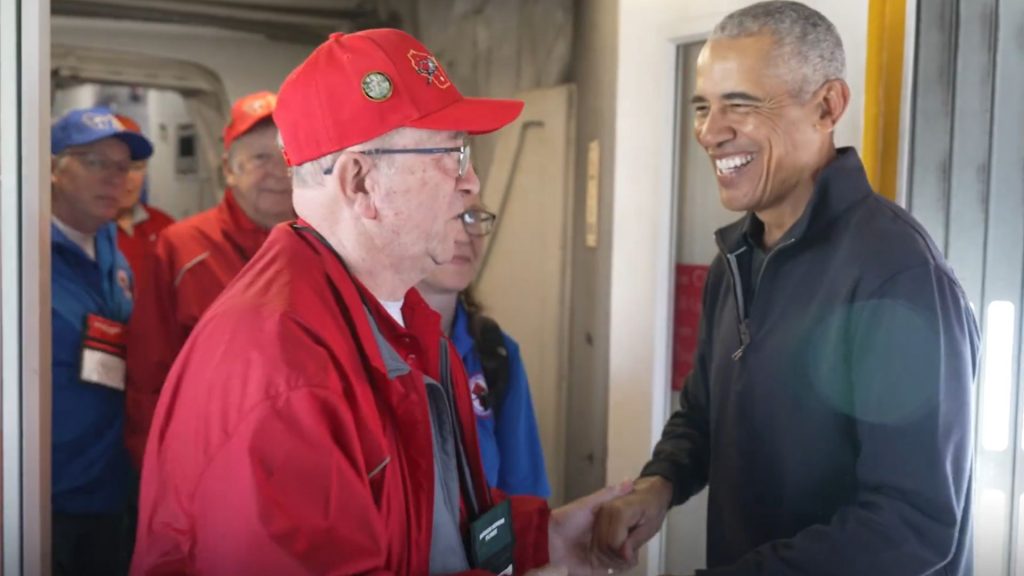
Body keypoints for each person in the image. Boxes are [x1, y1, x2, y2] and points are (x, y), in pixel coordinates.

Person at [131, 29, 623, 575]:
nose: (473, 183)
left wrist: (547, 540)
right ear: (360, 181)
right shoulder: (282, 373)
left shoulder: (396, 318)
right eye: (453, 154)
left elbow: (426, 523)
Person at [591, 2, 979, 575]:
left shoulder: (895, 275)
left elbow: (911, 526)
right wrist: (659, 484)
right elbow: (702, 416)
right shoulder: (736, 260)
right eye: (703, 106)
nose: (709, 132)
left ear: (827, 106)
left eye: (741, 105)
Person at [124, 91, 294, 468]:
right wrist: (157, 466)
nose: (280, 172)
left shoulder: (329, 246)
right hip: (206, 459)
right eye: (260, 158)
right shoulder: (182, 247)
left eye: (288, 156)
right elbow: (149, 371)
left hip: (298, 461)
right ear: (228, 169)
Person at [50, 106, 153, 576]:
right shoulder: (20, 254)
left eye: (122, 166)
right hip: (47, 491)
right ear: (53, 167)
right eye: (94, 162)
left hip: (114, 479)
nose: (114, 178)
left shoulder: (111, 243)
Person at [417, 203, 551, 498]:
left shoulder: (496, 353)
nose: (465, 235)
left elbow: (524, 498)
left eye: (472, 216)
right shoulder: (370, 349)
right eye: (449, 214)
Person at [112, 114, 175, 282]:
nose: (127, 178)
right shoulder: (80, 233)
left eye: (136, 167)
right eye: (116, 168)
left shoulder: (165, 227)